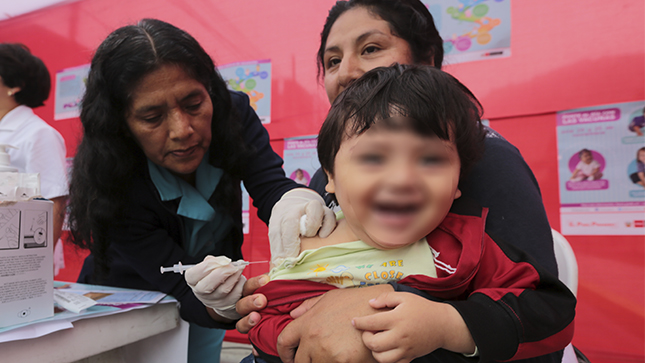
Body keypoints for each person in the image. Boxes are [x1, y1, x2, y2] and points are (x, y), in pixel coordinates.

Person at [230, 1, 565, 362]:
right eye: (332, 61)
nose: (346, 72)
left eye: (370, 48)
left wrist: (435, 320)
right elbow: (273, 316)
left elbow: (541, 313)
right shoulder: (320, 188)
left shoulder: (482, 185)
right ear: (330, 176)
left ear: (427, 60)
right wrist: (253, 310)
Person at [66, 19, 334, 363]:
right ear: (120, 125)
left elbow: (270, 188)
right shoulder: (112, 178)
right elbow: (181, 288)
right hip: (132, 302)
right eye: (152, 117)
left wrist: (295, 203)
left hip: (212, 294)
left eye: (193, 104)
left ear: (210, 90)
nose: (182, 130)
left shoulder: (232, 116)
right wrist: (227, 306)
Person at [0, 43, 67, 248]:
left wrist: (39, 264)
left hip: (19, 257)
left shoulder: (38, 134)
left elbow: (54, 203)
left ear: (14, 85)